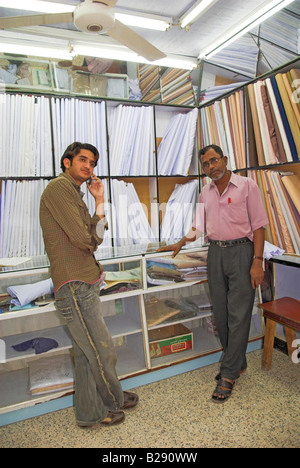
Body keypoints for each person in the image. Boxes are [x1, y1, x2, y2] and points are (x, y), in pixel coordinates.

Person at [158, 144, 269, 403]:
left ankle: (229, 374)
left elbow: (261, 226)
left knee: (238, 314)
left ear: (225, 160)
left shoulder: (247, 186)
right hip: (215, 254)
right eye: (206, 164)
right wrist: (180, 243)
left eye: (214, 161)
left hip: (243, 252)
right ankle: (238, 362)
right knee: (221, 313)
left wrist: (257, 261)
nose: (211, 167)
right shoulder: (204, 192)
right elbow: (198, 227)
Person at [40, 142, 138, 427]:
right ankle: (107, 403)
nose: (89, 167)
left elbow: (95, 236)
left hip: (84, 279)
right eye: (82, 160)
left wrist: (98, 201)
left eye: (93, 163)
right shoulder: (59, 189)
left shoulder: (74, 193)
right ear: (66, 162)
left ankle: (96, 408)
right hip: (74, 284)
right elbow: (87, 240)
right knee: (100, 347)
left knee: (87, 351)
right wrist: (93, 236)